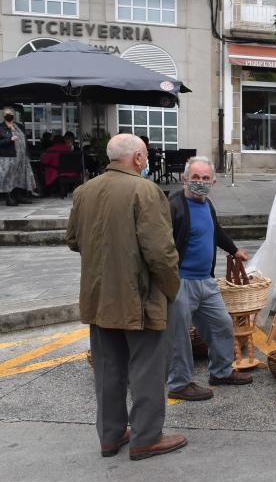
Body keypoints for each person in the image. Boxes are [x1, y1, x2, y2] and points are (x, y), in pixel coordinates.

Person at [66, 133, 186, 460]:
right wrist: (172, 289)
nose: (146, 162)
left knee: (108, 369)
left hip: (98, 295)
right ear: (136, 158)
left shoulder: (84, 191)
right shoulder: (145, 191)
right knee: (146, 368)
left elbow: (74, 240)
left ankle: (110, 435)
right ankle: (146, 437)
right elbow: (160, 253)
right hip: (140, 296)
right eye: (145, 156)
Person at [165, 155, 253, 401]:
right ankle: (180, 383)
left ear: (213, 181)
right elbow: (162, 244)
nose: (200, 182)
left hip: (206, 281)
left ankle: (221, 372)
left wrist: (234, 250)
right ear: (185, 178)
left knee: (222, 325)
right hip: (181, 281)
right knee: (179, 336)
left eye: (205, 178)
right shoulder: (174, 206)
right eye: (195, 177)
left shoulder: (207, 205)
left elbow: (215, 232)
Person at [0, 104, 38, 206]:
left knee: (21, 177)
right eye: (7, 114)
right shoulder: (1, 128)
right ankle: (9, 197)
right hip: (8, 158)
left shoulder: (19, 126)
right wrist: (9, 140)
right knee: (9, 178)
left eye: (11, 114)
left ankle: (19, 196)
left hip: (21, 158)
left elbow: (25, 140)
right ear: (4, 115)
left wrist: (27, 154)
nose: (9, 115)